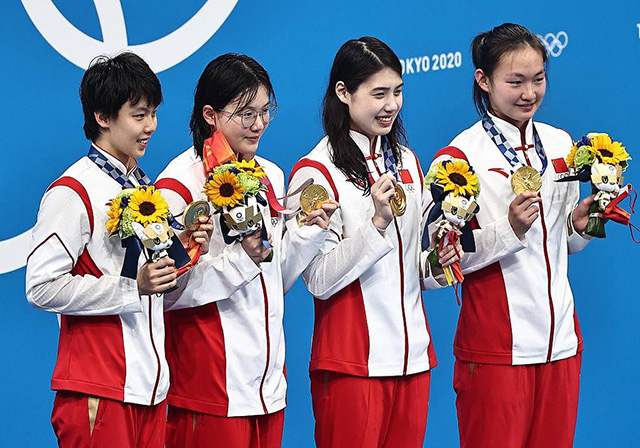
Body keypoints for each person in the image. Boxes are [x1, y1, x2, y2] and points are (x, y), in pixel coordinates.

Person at [25, 52, 211, 447]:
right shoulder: (72, 192)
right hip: (99, 388)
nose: (151, 126)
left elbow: (159, 288)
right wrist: (132, 287)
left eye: (154, 114)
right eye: (139, 115)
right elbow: (40, 287)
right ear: (103, 117)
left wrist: (188, 253)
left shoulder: (142, 188)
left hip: (150, 390)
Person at [287, 37, 461, 448]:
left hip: (412, 360)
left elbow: (408, 268)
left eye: (397, 92)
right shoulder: (315, 172)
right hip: (352, 365)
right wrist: (377, 223)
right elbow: (318, 279)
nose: (391, 105)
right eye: (379, 93)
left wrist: (439, 263)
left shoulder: (408, 161)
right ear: (343, 92)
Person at [155, 53, 337, 448]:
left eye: (266, 111)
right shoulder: (177, 189)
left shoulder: (269, 174)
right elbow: (165, 294)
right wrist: (241, 259)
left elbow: (273, 279)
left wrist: (307, 234)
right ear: (210, 114)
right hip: (209, 389)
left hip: (267, 388)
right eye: (246, 114)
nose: (259, 124)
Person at [428, 23, 594, 448]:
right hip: (496, 350)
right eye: (515, 81)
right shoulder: (457, 159)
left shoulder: (560, 144)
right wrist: (510, 230)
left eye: (538, 79)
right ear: (483, 80)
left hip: (560, 345)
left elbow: (564, 245)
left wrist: (580, 226)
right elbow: (444, 261)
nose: (529, 93)